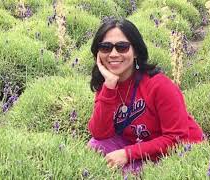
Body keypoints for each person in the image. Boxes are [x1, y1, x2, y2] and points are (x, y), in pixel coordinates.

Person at [87, 17, 203, 174]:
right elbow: (100, 134)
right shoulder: (107, 84)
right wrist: (109, 86)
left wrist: (128, 154)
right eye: (106, 47)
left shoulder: (159, 85)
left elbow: (177, 138)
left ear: (135, 51)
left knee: (126, 172)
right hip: (138, 146)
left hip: (180, 153)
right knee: (95, 147)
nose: (113, 54)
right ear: (98, 53)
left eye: (122, 47)